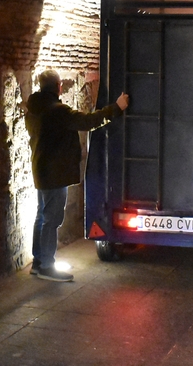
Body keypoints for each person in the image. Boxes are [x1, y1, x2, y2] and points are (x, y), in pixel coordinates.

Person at [24, 69, 128, 281]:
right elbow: (89, 122)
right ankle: (47, 266)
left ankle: (38, 262)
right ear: (58, 86)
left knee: (42, 216)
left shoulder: (33, 108)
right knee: (52, 219)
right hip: (54, 173)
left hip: (41, 170)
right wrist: (117, 108)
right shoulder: (58, 111)